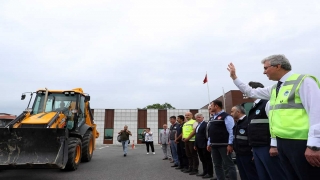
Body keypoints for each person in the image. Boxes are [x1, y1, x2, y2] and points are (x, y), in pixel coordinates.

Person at [227, 54, 320, 179]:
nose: (264, 72)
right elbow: (251, 92)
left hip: (301, 143)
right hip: (283, 143)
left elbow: (316, 112)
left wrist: (314, 145)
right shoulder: (275, 88)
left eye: (266, 68)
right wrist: (234, 78)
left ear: (278, 66)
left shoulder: (304, 81)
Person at [247, 81, 287, 180]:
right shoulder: (254, 106)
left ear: (256, 90)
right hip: (257, 146)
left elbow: (274, 124)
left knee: (275, 174)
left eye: (248, 89)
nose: (246, 92)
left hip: (266, 146)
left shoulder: (267, 103)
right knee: (263, 175)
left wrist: (274, 145)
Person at [207, 100, 237, 180]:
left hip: (224, 145)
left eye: (212, 105)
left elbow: (231, 131)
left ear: (216, 106)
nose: (210, 107)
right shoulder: (213, 118)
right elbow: (210, 132)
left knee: (229, 164)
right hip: (214, 146)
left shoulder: (226, 116)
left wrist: (230, 144)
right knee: (217, 165)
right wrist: (209, 143)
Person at [230, 105, 259, 180]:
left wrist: (253, 152)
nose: (231, 114)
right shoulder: (237, 123)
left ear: (238, 112)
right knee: (243, 174)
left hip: (247, 154)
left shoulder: (248, 122)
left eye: (232, 111)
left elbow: (253, 138)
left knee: (251, 175)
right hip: (239, 154)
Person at [193, 113, 214, 179]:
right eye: (197, 117)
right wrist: (195, 144)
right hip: (199, 145)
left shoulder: (206, 124)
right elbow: (197, 136)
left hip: (204, 145)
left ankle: (210, 173)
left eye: (199, 117)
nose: (198, 118)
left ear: (203, 118)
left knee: (207, 159)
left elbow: (207, 135)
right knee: (202, 159)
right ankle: (205, 171)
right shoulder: (198, 125)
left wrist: (208, 144)